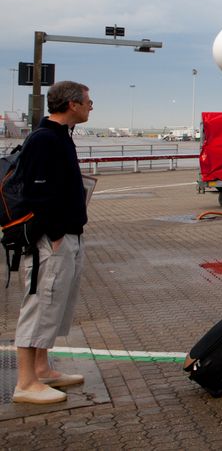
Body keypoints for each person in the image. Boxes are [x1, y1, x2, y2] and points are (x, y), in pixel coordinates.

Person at [11, 81, 92, 404]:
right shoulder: (44, 140)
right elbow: (38, 192)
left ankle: (42, 369)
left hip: (67, 235)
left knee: (55, 304)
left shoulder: (60, 137)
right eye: (87, 100)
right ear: (71, 104)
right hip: (51, 240)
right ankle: (25, 383)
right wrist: (56, 234)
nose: (91, 105)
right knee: (39, 303)